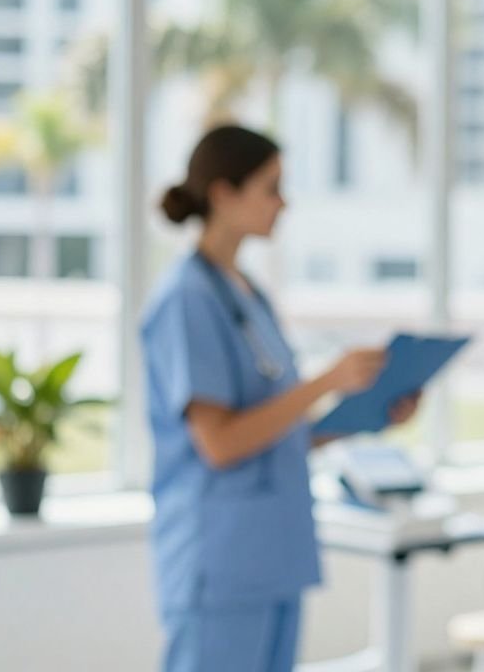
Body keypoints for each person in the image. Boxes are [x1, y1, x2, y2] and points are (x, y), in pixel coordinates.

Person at [141, 125, 419, 672]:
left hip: (271, 555)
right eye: (271, 187)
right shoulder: (186, 299)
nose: (283, 202)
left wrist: (362, 417)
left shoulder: (248, 294)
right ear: (223, 194)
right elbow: (219, 443)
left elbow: (277, 431)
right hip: (218, 559)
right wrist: (325, 382)